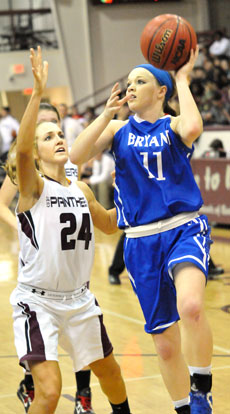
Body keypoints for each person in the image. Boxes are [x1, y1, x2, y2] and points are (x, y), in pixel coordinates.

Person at [70, 46, 213, 414]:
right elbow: (77, 156)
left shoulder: (173, 125)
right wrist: (104, 116)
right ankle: (185, 408)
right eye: (129, 81)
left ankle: (202, 389)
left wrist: (182, 79)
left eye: (141, 81)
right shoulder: (118, 130)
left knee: (192, 305)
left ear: (161, 91)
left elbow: (194, 126)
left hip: (183, 227)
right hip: (139, 241)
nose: (130, 88)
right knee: (165, 345)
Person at [8, 46, 132, 414]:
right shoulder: (34, 188)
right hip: (38, 301)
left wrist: (133, 197)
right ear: (35, 150)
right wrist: (38, 93)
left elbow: (110, 226)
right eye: (48, 137)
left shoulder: (80, 189)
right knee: (49, 391)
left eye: (59, 133)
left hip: (79, 299)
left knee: (109, 370)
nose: (59, 139)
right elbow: (24, 155)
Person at [0, 103, 96, 414]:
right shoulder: (26, 168)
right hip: (40, 267)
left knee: (83, 329)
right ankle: (30, 382)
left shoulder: (69, 165)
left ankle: (84, 395)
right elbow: (2, 204)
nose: (52, 133)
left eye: (55, 124)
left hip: (73, 261)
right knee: (43, 331)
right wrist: (23, 227)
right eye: (43, 127)